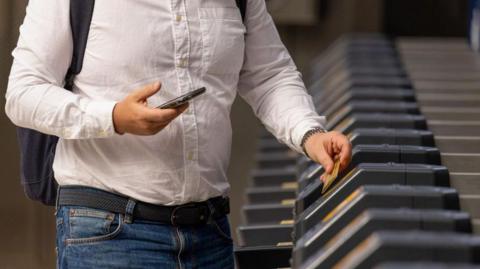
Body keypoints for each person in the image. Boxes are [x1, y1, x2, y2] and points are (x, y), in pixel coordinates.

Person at [5, 0, 352, 268]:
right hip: (108, 233)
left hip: (210, 232)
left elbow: (269, 75)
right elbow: (23, 93)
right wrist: (113, 117)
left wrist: (311, 133)